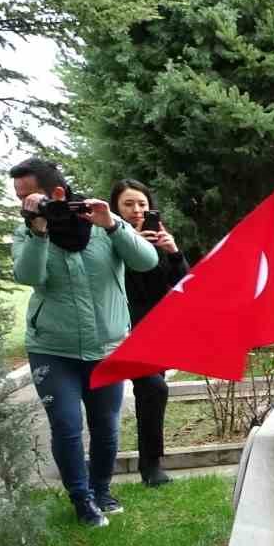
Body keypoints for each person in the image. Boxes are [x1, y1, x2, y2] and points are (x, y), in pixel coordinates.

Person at [10, 157, 159, 527]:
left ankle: (101, 489)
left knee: (106, 424)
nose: (24, 203)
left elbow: (146, 261)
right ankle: (81, 500)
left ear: (56, 192)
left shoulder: (101, 222)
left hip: (107, 346)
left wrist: (112, 225)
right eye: (19, 197)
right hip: (52, 347)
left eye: (29, 195)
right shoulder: (26, 231)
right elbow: (29, 275)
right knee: (66, 423)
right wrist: (39, 231)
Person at [110, 179, 190, 486]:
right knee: (127, 393)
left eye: (142, 204)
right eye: (128, 204)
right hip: (117, 327)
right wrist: (133, 248)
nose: (136, 210)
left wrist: (172, 251)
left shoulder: (159, 237)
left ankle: (151, 465)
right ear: (116, 208)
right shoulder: (107, 237)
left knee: (153, 391)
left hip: (152, 331)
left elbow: (184, 281)